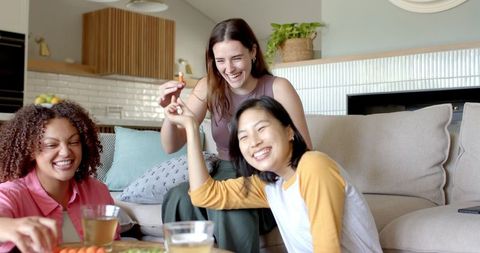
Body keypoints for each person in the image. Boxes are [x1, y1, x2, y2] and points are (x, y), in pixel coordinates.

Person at [158, 18, 312, 252]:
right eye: (220, 61)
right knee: (178, 196)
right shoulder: (208, 86)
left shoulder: (278, 88)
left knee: (229, 204)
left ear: (252, 52)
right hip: (221, 172)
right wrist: (169, 114)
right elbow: (171, 145)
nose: (229, 69)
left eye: (236, 58)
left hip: (263, 178)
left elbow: (304, 154)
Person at [164, 95, 382, 253]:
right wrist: (192, 129)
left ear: (289, 131)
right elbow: (203, 194)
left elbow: (327, 249)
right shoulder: (270, 185)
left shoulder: (314, 166)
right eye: (244, 137)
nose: (255, 142)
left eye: (261, 129)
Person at [0, 101, 119, 252]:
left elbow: (113, 246)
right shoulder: (10, 193)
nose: (65, 152)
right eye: (51, 145)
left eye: (74, 142)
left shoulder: (98, 191)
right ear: (30, 151)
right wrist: (11, 226)